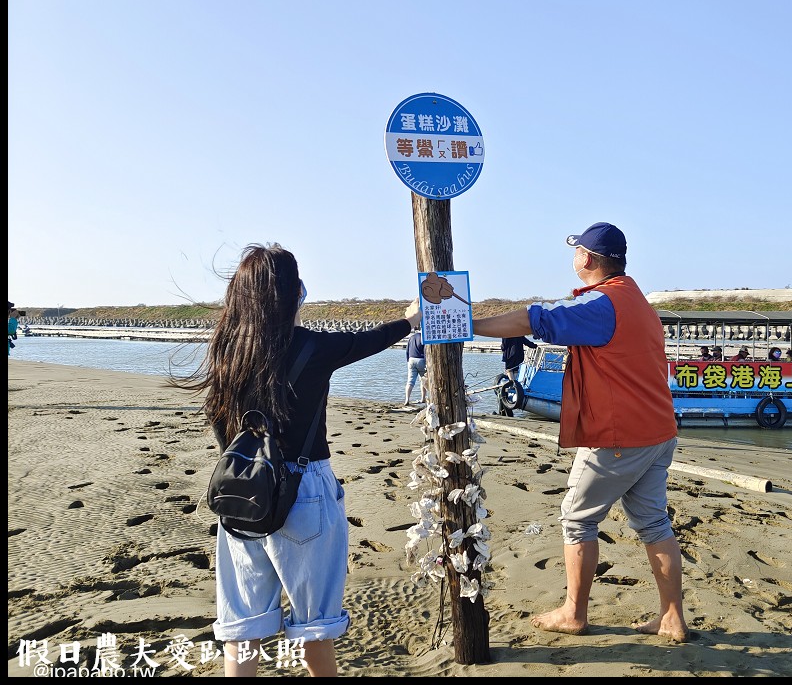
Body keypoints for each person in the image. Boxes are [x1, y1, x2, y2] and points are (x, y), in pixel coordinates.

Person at [172, 243, 421, 677]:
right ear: (291, 296)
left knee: (242, 628)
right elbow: (371, 341)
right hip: (304, 490)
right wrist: (411, 320)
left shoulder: (227, 351)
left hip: (242, 492)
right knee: (314, 629)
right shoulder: (312, 347)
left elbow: (222, 430)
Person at [472, 221, 687, 643]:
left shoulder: (602, 303)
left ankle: (574, 612)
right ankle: (672, 618)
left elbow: (538, 319)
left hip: (620, 436)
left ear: (586, 259)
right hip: (659, 430)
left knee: (576, 519)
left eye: (576, 251)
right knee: (654, 523)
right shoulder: (635, 300)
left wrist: (465, 323)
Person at [404, 327, 426, 406]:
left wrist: (408, 360)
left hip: (411, 359)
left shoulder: (411, 337)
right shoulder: (424, 337)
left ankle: (407, 399)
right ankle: (423, 398)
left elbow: (407, 350)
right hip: (421, 359)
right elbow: (426, 351)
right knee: (423, 380)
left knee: (410, 381)